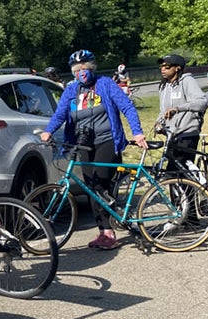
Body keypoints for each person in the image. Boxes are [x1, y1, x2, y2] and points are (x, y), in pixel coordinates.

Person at [39, 49, 148, 250]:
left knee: (99, 183)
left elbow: (127, 107)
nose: (82, 72)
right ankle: (102, 231)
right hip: (83, 143)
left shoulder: (105, 84)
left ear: (93, 67)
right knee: (90, 187)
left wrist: (137, 132)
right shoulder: (72, 90)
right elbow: (60, 113)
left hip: (107, 140)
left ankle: (111, 229)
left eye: (86, 68)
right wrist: (48, 131)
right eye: (78, 69)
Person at [155, 54, 206, 172]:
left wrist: (178, 108)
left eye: (167, 67)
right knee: (172, 173)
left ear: (177, 68)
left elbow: (202, 102)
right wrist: (159, 122)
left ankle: (193, 188)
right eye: (161, 67)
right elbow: (163, 110)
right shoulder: (164, 86)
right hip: (171, 135)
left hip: (187, 132)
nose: (163, 69)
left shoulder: (187, 81)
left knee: (180, 172)